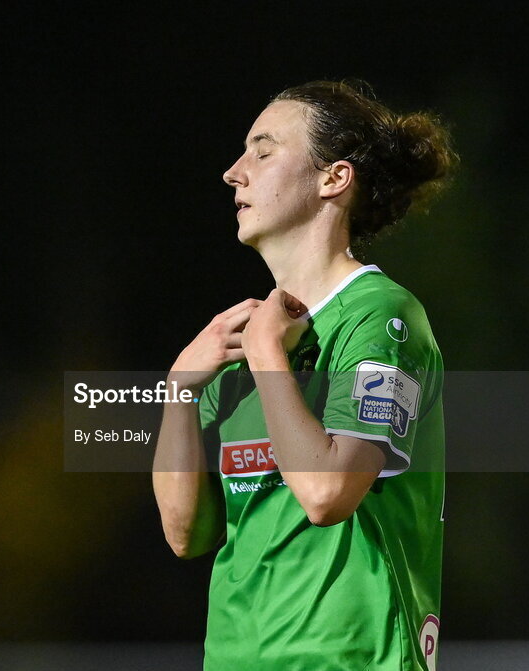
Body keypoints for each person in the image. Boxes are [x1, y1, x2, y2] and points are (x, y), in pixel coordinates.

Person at [152, 80, 457, 670]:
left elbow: (327, 493)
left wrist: (269, 357)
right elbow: (186, 535)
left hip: (350, 660)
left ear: (332, 179)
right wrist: (179, 393)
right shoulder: (238, 342)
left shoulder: (381, 316)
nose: (233, 172)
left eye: (263, 151)